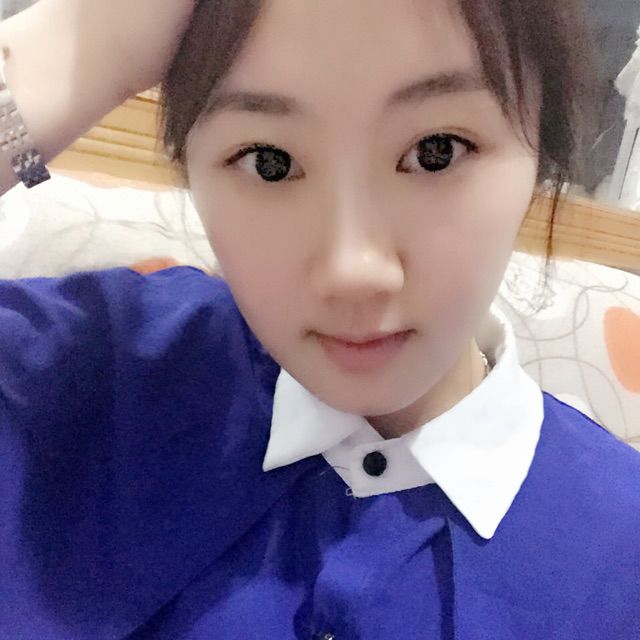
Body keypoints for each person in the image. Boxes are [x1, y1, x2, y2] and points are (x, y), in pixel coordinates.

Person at [0, 1, 638, 638]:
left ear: (541, 155)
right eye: (269, 161)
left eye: (436, 151)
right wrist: (90, 50)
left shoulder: (619, 549)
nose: (353, 271)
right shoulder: (90, 376)